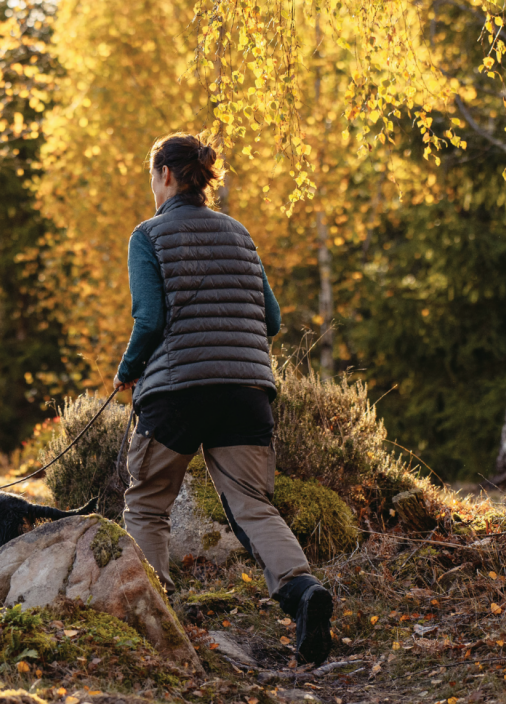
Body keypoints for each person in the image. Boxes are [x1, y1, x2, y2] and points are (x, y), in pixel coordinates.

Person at [112, 132, 333, 666]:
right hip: (246, 392)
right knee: (253, 506)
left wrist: (127, 371)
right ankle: (303, 593)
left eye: (151, 177)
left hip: (176, 394)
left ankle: (155, 620)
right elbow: (273, 320)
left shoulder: (149, 236)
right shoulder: (240, 234)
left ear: (165, 175)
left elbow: (150, 320)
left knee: (147, 504)